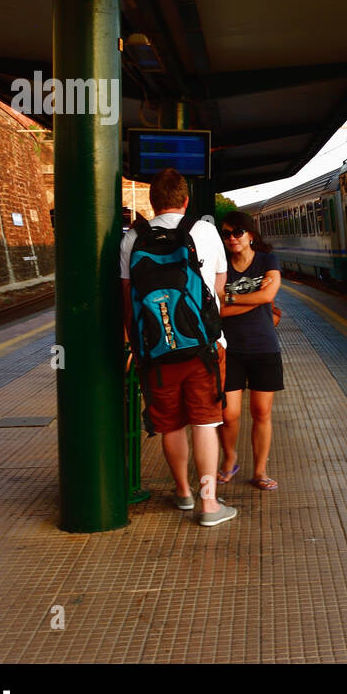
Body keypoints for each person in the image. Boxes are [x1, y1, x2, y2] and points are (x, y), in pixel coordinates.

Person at [120, 167, 237, 527]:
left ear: (153, 202)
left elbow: (127, 300)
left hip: (155, 350)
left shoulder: (131, 239)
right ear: (186, 201)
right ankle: (209, 504)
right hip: (204, 347)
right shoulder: (203, 230)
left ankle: (183, 493)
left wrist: (139, 346)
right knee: (205, 422)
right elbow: (218, 289)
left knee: (170, 424)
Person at [216, 211, 284, 491]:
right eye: (227, 234)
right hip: (230, 349)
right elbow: (216, 309)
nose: (232, 238)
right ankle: (230, 459)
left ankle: (260, 471)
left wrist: (232, 297)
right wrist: (254, 299)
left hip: (264, 346)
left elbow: (269, 296)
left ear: (251, 235)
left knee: (261, 412)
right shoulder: (222, 265)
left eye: (237, 232)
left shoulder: (268, 260)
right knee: (228, 414)